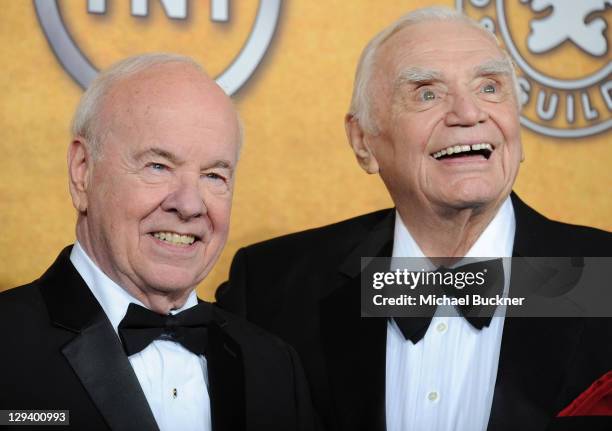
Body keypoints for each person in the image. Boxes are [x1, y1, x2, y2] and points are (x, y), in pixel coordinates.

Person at [216, 7, 612, 431]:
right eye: (427, 93)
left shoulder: (605, 276)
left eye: (490, 87)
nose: (468, 112)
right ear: (363, 140)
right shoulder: (272, 289)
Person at [0, 54, 317, 431]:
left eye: (214, 176)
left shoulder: (275, 366)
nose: (188, 204)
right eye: (158, 166)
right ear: (82, 172)